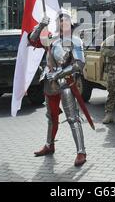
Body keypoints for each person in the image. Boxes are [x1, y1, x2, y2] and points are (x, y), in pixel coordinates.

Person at [28, 9, 89, 167]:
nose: (63, 22)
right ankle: (49, 145)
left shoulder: (75, 41)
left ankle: (81, 152)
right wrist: (41, 25)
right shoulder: (52, 39)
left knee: (72, 118)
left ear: (71, 22)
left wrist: (59, 73)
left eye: (66, 19)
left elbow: (79, 64)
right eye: (60, 20)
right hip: (49, 84)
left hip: (65, 83)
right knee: (51, 117)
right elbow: (32, 40)